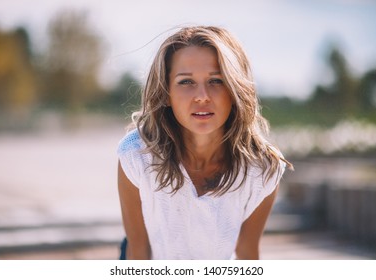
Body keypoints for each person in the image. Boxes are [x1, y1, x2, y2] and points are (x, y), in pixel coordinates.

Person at [117, 26, 291, 260]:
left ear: (235, 89)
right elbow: (138, 250)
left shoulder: (263, 168)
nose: (202, 96)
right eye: (186, 81)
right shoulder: (136, 154)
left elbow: (247, 252)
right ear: (166, 92)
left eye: (216, 81)